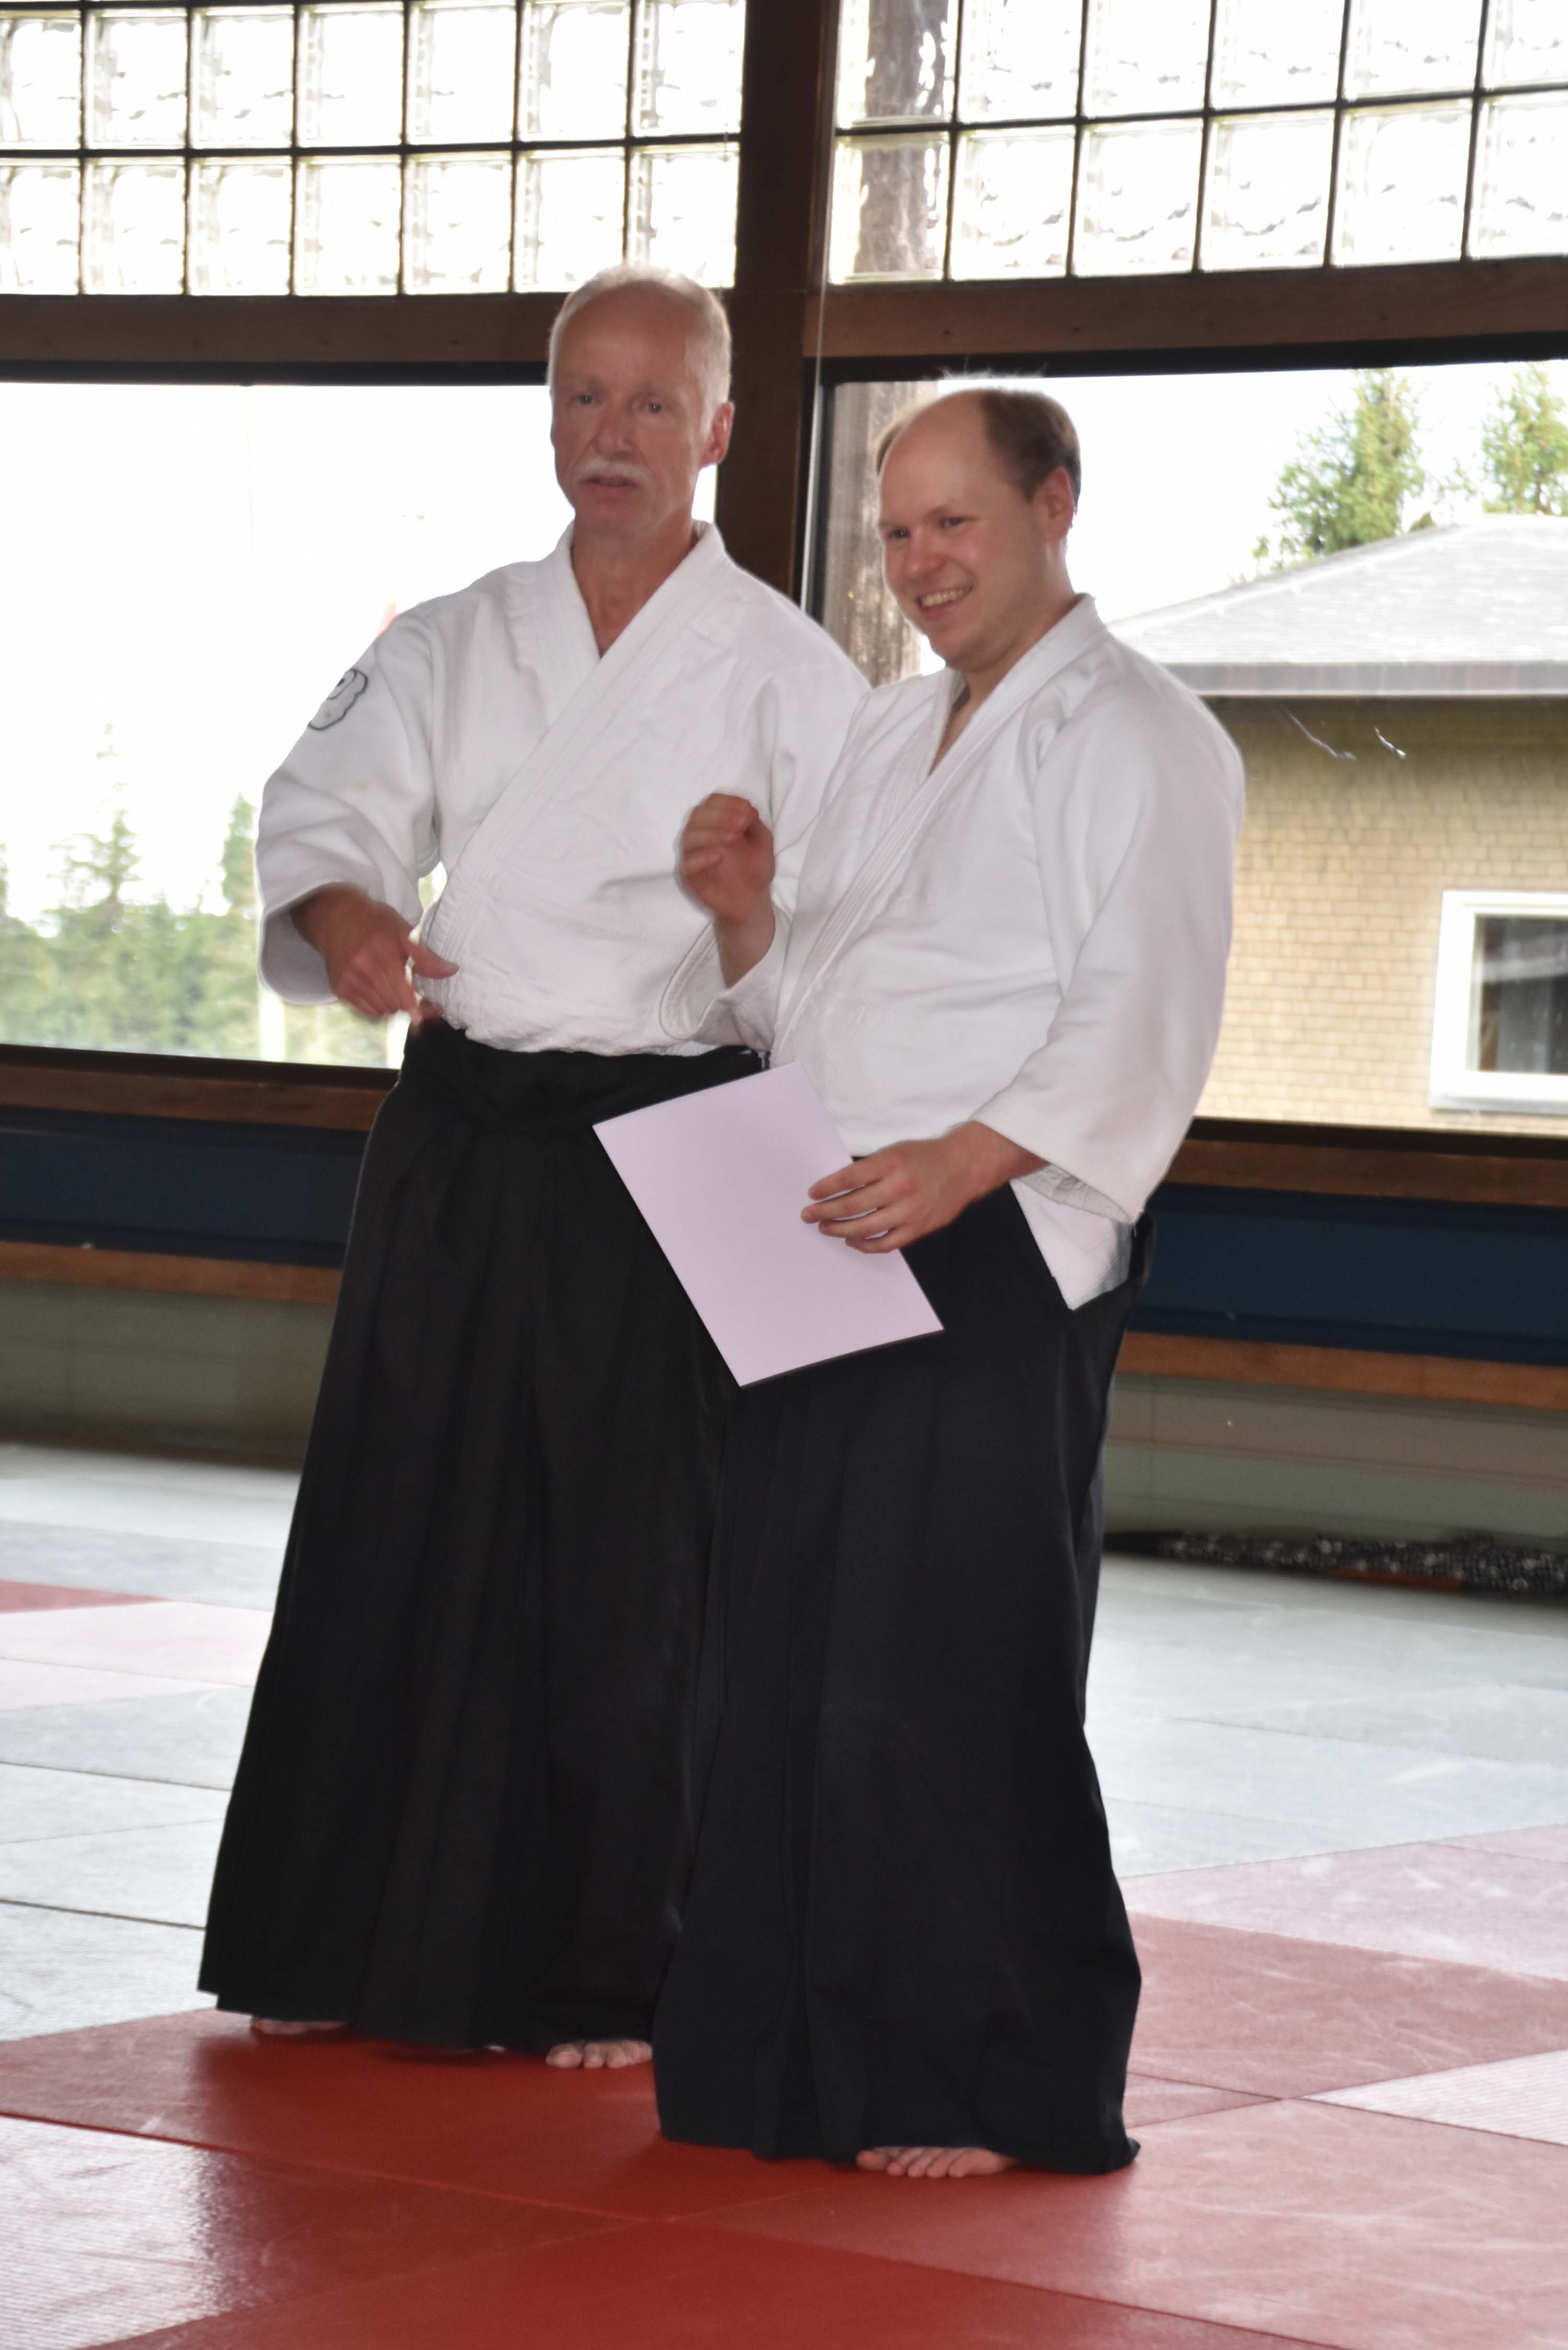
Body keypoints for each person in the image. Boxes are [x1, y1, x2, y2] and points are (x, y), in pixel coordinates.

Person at [199, 266, 866, 2070]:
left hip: (680, 1125)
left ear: (718, 430)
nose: (613, 436)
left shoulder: (793, 673)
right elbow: (320, 821)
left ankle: (614, 1963)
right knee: (393, 1519)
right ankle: (333, 1932)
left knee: (642, 1563)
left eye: (655, 404)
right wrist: (348, 922)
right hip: (469, 1118)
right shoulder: (453, 637)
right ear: (550, 416)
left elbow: (855, 947)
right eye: (585, 397)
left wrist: (752, 912)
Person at [652, 386, 1242, 2172]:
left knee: (952, 1663)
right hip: (825, 1212)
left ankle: (987, 2075)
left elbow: (1143, 1009)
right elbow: (811, 1000)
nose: (919, 564)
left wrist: (969, 1163)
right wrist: (748, 915)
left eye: (955, 523)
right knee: (784, 1657)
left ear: (1055, 505)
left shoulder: (1139, 736)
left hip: (988, 1230)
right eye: (898, 532)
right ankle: (784, 2067)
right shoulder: (892, 728)